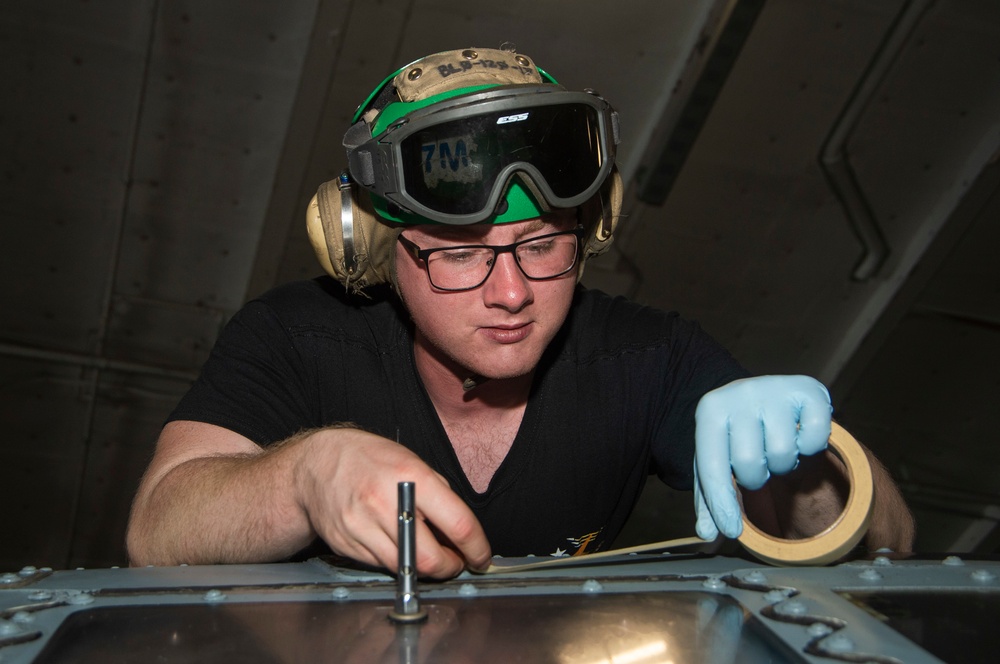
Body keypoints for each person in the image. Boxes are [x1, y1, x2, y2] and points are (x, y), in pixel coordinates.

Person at [126, 47, 914, 578]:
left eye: (542, 245)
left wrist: (810, 471)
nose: (511, 294)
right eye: (460, 254)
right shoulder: (293, 339)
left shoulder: (650, 360)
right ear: (368, 250)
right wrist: (303, 474)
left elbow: (892, 547)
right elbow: (156, 532)